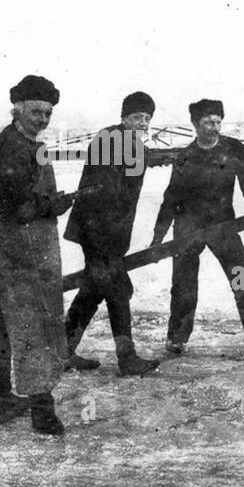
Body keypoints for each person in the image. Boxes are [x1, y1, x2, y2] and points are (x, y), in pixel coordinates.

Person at [0, 75, 72, 436]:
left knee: (6, 319)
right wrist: (53, 204)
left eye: (48, 113)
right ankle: (42, 412)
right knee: (32, 320)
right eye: (36, 111)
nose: (42, 118)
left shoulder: (22, 140)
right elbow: (20, 207)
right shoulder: (16, 147)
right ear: (17, 108)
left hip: (13, 243)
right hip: (11, 246)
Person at [151, 99, 244, 358]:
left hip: (223, 228)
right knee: (184, 285)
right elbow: (171, 198)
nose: (215, 127)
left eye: (218, 121)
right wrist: (158, 237)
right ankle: (176, 338)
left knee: (242, 278)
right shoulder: (185, 157)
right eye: (208, 122)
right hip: (188, 231)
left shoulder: (232, 149)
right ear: (195, 125)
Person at [64, 91, 161, 377]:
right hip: (98, 231)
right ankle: (127, 358)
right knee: (118, 290)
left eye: (147, 118)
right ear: (123, 117)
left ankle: (62, 351)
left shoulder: (129, 143)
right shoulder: (111, 140)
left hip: (109, 233)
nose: (143, 123)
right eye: (136, 117)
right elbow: (106, 191)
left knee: (93, 290)